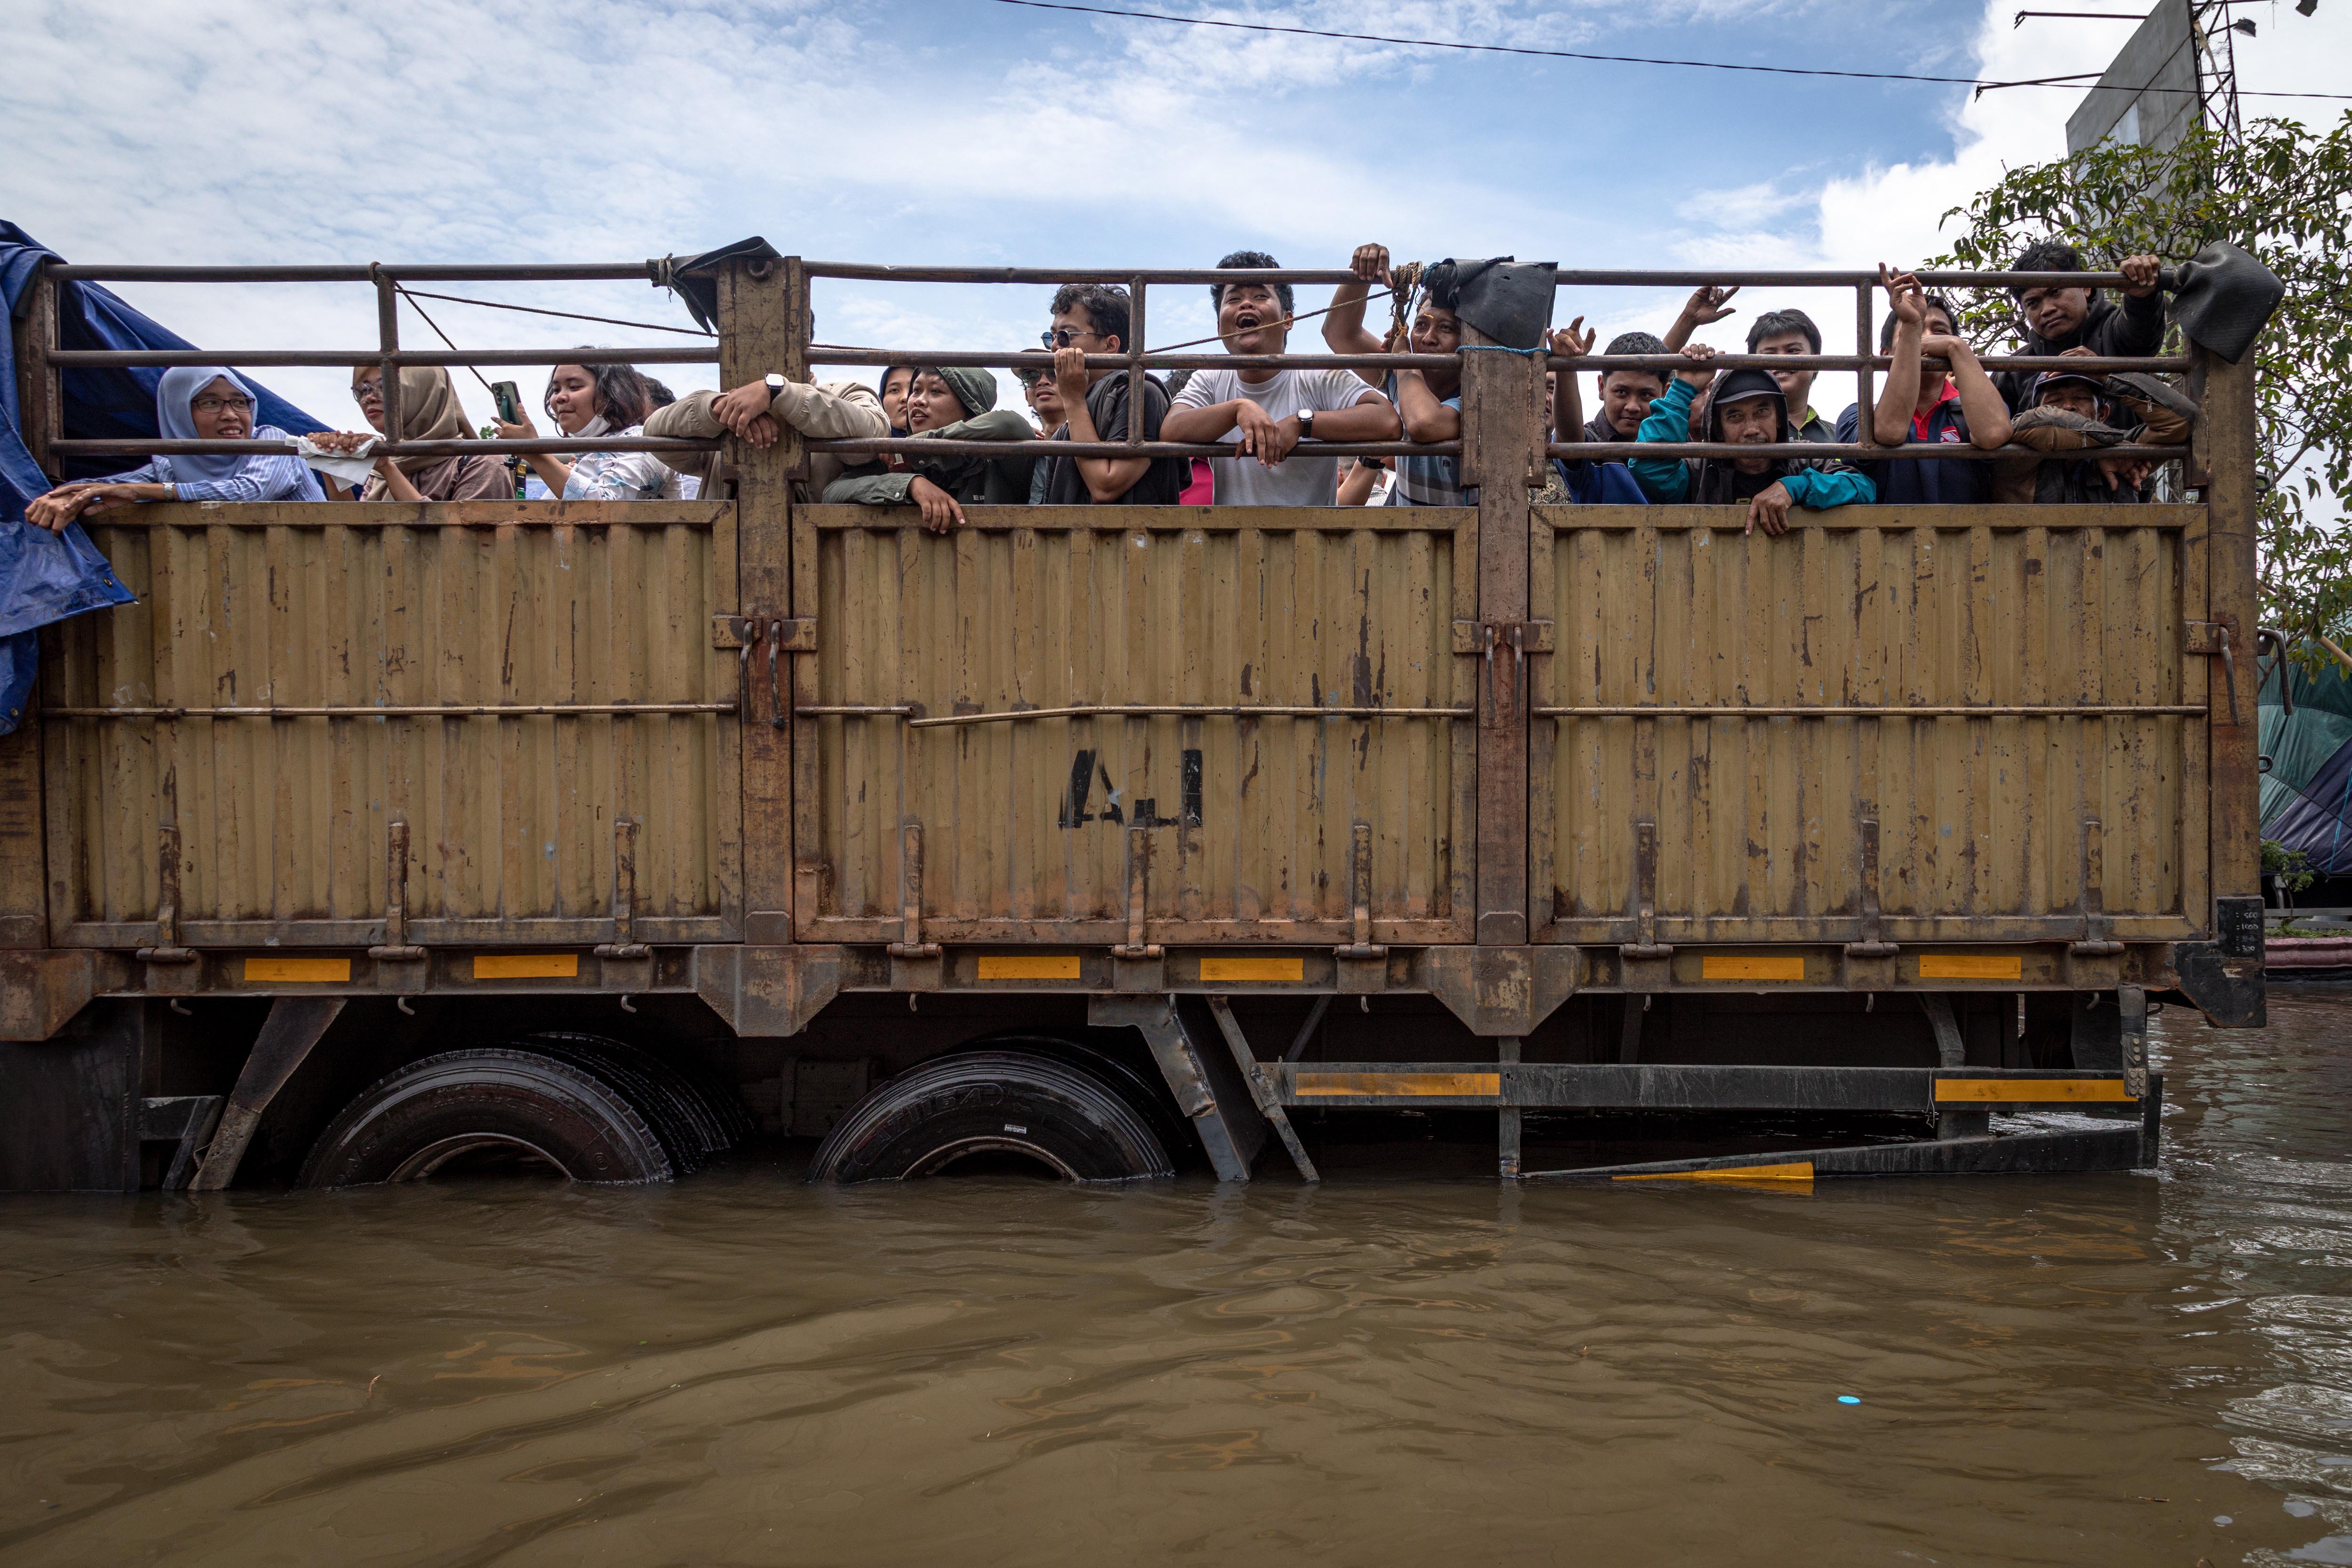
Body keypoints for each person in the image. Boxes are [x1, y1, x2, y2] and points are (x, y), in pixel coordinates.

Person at [1162, 250, 1399, 505]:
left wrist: (1302, 424)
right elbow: (1171, 429)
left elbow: (1388, 421)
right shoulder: (1210, 378)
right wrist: (1236, 410)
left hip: (1313, 531)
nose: (1246, 304)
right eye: (1233, 299)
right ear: (1220, 328)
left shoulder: (1316, 375)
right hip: (1230, 533)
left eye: (1260, 296)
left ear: (1288, 320)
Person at [22, 367, 320, 532]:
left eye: (240, 401)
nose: (231, 414)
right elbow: (111, 488)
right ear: (177, 413)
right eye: (211, 403)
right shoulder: (172, 465)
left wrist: (144, 492)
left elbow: (248, 492)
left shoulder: (271, 440)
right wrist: (67, 499)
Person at [1632, 345, 1874, 533]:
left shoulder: (1803, 457)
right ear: (1718, 429)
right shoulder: (1699, 468)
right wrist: (1683, 389)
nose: (1751, 429)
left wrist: (1796, 487)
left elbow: (1863, 487)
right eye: (1735, 416)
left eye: (1762, 411)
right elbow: (1650, 470)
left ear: (1779, 418)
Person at [1834, 268, 2012, 505]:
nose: (1929, 341)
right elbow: (1889, 432)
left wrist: (1957, 347)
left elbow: (1993, 435)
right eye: (1916, 332)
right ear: (1885, 356)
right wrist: (1911, 325)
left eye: (1940, 332)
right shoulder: (1856, 415)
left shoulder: (1973, 409)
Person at [1323, 242, 1469, 506]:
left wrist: (1401, 355)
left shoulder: (1474, 398)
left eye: (1446, 328)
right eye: (1421, 325)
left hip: (1464, 532)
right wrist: (1363, 273)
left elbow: (1423, 422)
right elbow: (1339, 334)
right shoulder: (1400, 379)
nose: (1429, 338)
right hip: (1408, 532)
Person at [822, 365, 1034, 531]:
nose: (918, 401)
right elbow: (834, 492)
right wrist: (910, 484)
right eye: (916, 391)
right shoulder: (896, 458)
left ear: (970, 410)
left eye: (935, 391)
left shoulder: (996, 459)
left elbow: (1013, 424)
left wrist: (920, 445)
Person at [1039, 283, 1188, 505]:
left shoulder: (1142, 393)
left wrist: (1073, 401)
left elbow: (1105, 487)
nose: (1054, 347)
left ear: (1110, 345)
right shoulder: (1069, 423)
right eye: (1051, 336)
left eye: (1066, 335)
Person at [642, 370, 890, 501]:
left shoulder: (844, 392)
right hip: (726, 556)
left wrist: (780, 393)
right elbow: (654, 435)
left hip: (818, 558)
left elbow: (876, 433)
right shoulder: (726, 408)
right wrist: (721, 409)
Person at [1996, 240, 2168, 412]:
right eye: (2033, 303)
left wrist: (2143, 294)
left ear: (2085, 287)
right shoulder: (2013, 371)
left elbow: (2142, 328)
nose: (2047, 309)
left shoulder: (2115, 333)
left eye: (2056, 292)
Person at [1992, 362, 2192, 504]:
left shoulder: (2123, 448)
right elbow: (2042, 422)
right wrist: (2106, 445)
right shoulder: (2020, 455)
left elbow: (2182, 419)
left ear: (2103, 414)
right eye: (2054, 401)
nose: (2068, 407)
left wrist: (2106, 376)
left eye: (2081, 398)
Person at [496, 360, 691, 501]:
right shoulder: (587, 454)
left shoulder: (642, 443)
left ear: (611, 394)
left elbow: (605, 510)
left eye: (574, 387)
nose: (560, 397)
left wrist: (536, 454)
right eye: (556, 390)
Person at [309, 366, 511, 501]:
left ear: (426, 393)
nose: (369, 398)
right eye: (363, 390)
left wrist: (388, 470)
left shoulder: (482, 464)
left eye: (383, 387)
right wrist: (330, 464)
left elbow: (460, 544)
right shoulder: (384, 465)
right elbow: (355, 536)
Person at [1744, 308, 1833, 442]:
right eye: (1769, 355)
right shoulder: (1741, 434)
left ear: (1816, 362)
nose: (1782, 361)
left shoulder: (1840, 435)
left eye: (1792, 351)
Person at [1585, 331, 1673, 446]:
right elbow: (1569, 435)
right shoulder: (1586, 441)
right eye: (1621, 392)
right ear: (1602, 387)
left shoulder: (1675, 438)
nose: (1632, 407)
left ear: (1664, 394)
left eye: (1646, 395)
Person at [880, 365, 918, 437]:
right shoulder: (866, 441)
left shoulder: (941, 437)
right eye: (894, 390)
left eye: (915, 389)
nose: (905, 397)